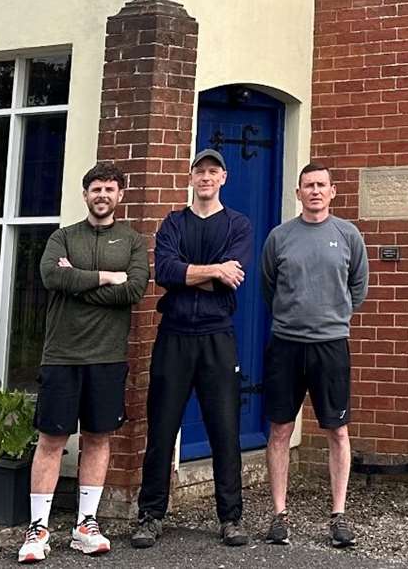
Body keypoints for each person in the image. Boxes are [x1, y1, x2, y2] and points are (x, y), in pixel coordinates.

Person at [17, 161, 149, 563]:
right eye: (96, 189)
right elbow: (52, 278)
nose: (103, 195)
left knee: (98, 437)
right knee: (51, 440)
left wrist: (82, 281)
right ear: (86, 193)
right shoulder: (63, 237)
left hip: (107, 357)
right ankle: (37, 529)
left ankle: (85, 524)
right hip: (62, 355)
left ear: (120, 196)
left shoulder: (132, 241)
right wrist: (109, 278)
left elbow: (136, 290)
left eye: (110, 189)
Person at [131, 148, 253, 550]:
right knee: (162, 428)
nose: (206, 177)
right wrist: (213, 269)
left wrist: (192, 274)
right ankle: (150, 514)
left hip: (217, 337)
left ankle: (230, 518)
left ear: (224, 178)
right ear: (191, 177)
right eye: (199, 171)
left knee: (224, 429)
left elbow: (232, 278)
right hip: (175, 337)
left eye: (213, 171)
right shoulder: (173, 223)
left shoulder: (238, 224)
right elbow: (163, 272)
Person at [260, 161, 369, 550]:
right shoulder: (279, 237)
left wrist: (332, 317)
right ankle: (279, 514)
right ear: (298, 193)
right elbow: (269, 286)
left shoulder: (348, 235)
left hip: (331, 344)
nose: (315, 191)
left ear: (333, 191)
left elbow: (358, 286)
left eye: (322, 185)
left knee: (337, 430)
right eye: (308, 185)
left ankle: (338, 515)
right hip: (286, 344)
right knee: (279, 428)